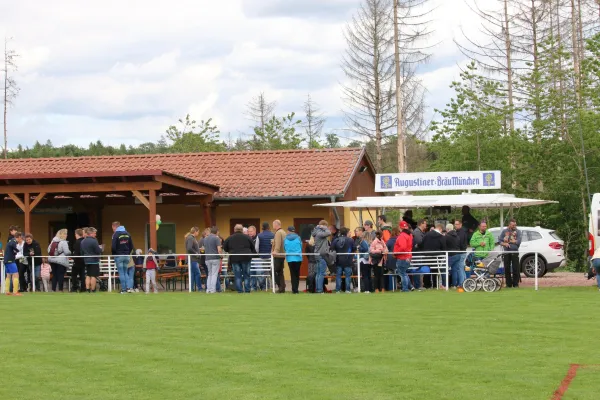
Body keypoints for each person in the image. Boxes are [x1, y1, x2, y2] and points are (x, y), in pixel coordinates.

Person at [223, 224, 257, 294]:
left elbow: (225, 247)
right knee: (246, 274)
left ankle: (240, 291)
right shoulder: (247, 237)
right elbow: (253, 247)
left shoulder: (230, 238)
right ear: (242, 230)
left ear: (234, 230)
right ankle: (247, 290)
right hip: (246, 257)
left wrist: (230, 250)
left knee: (237, 275)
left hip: (234, 258)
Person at [422, 223, 447, 289]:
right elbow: (444, 247)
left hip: (427, 256)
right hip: (436, 256)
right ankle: (435, 285)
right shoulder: (441, 237)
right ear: (440, 229)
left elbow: (422, 244)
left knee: (427, 270)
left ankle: (427, 285)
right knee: (435, 271)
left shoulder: (426, 235)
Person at [111, 223, 134, 294]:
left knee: (121, 273)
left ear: (114, 227)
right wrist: (127, 253)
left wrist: (115, 254)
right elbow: (131, 246)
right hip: (127, 256)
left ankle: (124, 289)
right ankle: (129, 288)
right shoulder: (128, 234)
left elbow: (113, 246)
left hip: (119, 256)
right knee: (125, 273)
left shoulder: (116, 234)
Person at [331, 227, 355, 294]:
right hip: (348, 260)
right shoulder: (351, 240)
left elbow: (332, 248)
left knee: (338, 276)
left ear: (340, 232)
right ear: (346, 233)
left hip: (338, 260)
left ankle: (338, 290)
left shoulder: (336, 240)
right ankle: (348, 290)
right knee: (348, 276)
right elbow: (354, 248)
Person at [500, 219, 523, 288]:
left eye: (515, 225)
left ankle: (515, 284)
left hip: (514, 251)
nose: (514, 226)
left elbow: (518, 242)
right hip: (506, 252)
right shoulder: (504, 231)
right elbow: (500, 241)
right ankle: (508, 284)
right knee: (507, 268)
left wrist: (510, 241)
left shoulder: (518, 231)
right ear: (509, 225)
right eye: (513, 225)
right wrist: (504, 243)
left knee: (515, 267)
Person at [81, 227, 103, 293]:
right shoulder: (94, 241)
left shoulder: (83, 241)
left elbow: (81, 251)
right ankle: (93, 290)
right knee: (93, 275)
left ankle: (87, 289)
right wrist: (101, 249)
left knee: (88, 275)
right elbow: (98, 251)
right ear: (90, 233)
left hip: (86, 260)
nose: (95, 235)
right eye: (94, 233)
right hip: (94, 260)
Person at [312, 220, 331, 294]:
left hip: (317, 254)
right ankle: (320, 290)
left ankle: (317, 289)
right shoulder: (320, 233)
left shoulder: (316, 232)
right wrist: (324, 227)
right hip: (321, 255)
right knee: (321, 273)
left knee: (318, 273)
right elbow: (329, 232)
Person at [394, 221, 413, 292]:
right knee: (404, 272)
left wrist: (395, 252)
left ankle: (405, 288)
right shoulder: (409, 235)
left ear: (400, 227)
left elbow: (403, 247)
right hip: (408, 256)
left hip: (402, 257)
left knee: (402, 273)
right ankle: (410, 286)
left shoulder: (402, 235)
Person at [283, 226, 302, 294]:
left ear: (288, 231)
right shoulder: (298, 238)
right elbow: (301, 246)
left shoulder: (285, 239)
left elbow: (284, 248)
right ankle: (296, 289)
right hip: (298, 258)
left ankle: (293, 289)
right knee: (297, 274)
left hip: (290, 258)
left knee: (292, 274)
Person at [445, 223, 465, 288]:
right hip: (458, 253)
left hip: (451, 254)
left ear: (447, 229)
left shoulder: (446, 236)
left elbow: (444, 245)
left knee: (444, 268)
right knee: (455, 269)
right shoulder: (457, 235)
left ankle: (446, 284)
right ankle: (457, 284)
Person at [204, 227, 222, 294]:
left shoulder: (205, 238)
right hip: (215, 258)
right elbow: (219, 249)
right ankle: (212, 289)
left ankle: (208, 289)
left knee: (209, 274)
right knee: (214, 274)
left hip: (207, 258)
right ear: (217, 231)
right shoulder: (216, 238)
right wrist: (221, 255)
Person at [257, 222, 274, 291]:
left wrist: (259, 253)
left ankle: (265, 286)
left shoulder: (259, 235)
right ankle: (273, 286)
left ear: (262, 227)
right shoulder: (273, 235)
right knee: (272, 271)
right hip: (271, 256)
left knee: (264, 272)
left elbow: (256, 247)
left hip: (263, 256)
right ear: (268, 227)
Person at [271, 220, 287, 293]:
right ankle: (282, 287)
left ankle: (281, 285)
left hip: (278, 255)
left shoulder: (278, 233)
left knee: (273, 271)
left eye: (273, 224)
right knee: (280, 272)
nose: (272, 226)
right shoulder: (283, 232)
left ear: (276, 225)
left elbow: (278, 243)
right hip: (283, 254)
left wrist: (275, 251)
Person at [410, 219, 427, 290]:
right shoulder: (417, 232)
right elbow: (419, 242)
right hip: (417, 254)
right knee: (417, 269)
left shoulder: (419, 232)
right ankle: (418, 285)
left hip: (419, 253)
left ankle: (419, 285)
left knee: (418, 269)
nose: (426, 225)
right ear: (421, 224)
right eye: (425, 223)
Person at [185, 227, 203, 292]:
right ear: (195, 231)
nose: (198, 233)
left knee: (192, 274)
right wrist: (196, 253)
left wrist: (198, 249)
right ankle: (200, 288)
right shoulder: (190, 238)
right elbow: (189, 248)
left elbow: (190, 248)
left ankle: (191, 288)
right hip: (193, 259)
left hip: (192, 259)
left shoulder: (191, 238)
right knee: (197, 273)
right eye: (198, 232)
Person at [354, 227, 370, 293]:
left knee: (365, 275)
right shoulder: (365, 241)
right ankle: (367, 289)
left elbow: (365, 249)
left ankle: (366, 289)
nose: (356, 233)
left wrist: (359, 247)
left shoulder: (363, 241)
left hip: (363, 260)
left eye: (357, 231)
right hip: (364, 259)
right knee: (365, 275)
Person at [247, 225, 260, 291]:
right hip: (250, 258)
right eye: (248, 231)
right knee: (251, 273)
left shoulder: (258, 237)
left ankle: (262, 286)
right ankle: (253, 287)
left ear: (255, 231)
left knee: (259, 273)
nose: (250, 233)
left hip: (257, 258)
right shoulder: (247, 238)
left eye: (251, 231)